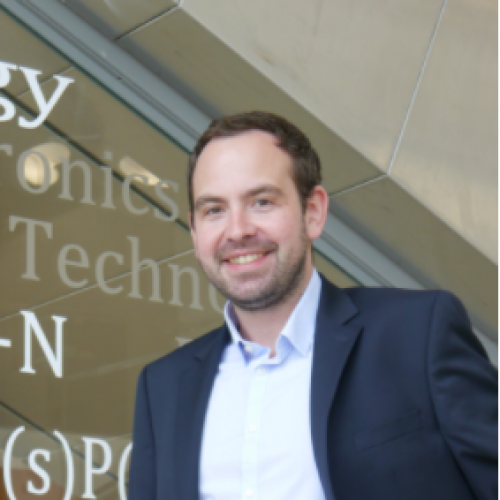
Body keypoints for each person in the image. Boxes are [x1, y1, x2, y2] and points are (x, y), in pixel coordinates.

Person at [128, 111, 497, 500]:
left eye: (261, 202)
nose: (237, 231)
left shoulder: (416, 334)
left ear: (313, 212)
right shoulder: (163, 388)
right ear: (194, 230)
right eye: (214, 210)